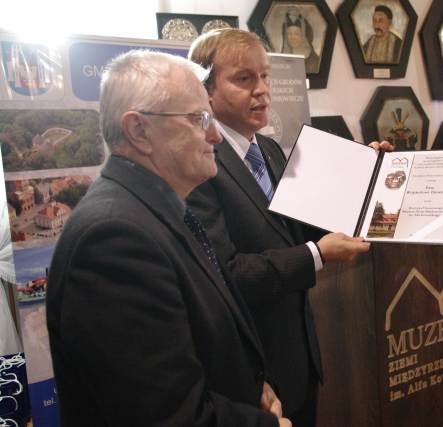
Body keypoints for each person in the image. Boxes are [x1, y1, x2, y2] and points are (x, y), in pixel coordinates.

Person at [46, 50, 290, 427]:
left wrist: (249, 386)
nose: (215, 136)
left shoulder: (156, 208)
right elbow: (165, 414)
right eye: (199, 119)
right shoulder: (114, 239)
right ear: (139, 131)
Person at [188, 29, 385, 426]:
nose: (262, 90)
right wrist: (317, 256)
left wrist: (362, 174)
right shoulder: (199, 163)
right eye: (244, 78)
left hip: (298, 360)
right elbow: (226, 275)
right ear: (206, 90)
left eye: (265, 76)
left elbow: (298, 229)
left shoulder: (270, 150)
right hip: (250, 375)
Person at [281, 7, 321, 74]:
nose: (292, 37)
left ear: (304, 36)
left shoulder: (314, 61)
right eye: (289, 34)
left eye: (296, 34)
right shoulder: (281, 59)